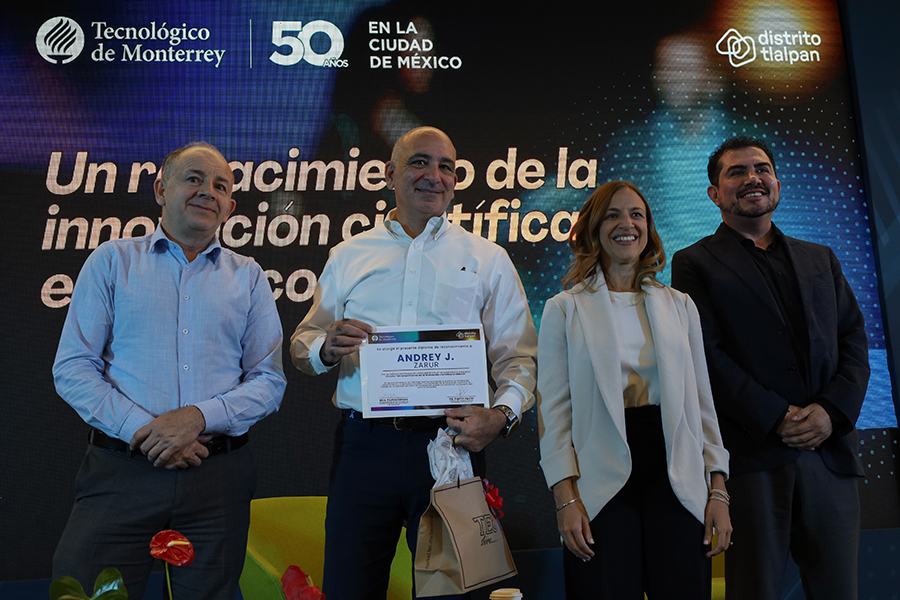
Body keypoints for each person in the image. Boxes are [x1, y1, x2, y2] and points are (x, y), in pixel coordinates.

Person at [291, 126, 537, 600]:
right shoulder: (349, 255)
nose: (434, 175)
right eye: (419, 162)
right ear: (390, 174)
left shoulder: (487, 258)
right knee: (348, 587)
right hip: (365, 450)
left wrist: (501, 417)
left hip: (451, 449)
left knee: (456, 592)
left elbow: (520, 359)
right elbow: (303, 344)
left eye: (446, 166)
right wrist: (325, 347)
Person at [52, 142, 287, 600]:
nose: (208, 192)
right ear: (161, 189)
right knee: (86, 592)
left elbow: (269, 381)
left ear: (230, 207)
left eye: (220, 186)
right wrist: (150, 431)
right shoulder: (112, 261)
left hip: (217, 480)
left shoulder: (249, 276)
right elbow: (74, 368)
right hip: (121, 472)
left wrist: (196, 419)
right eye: (194, 178)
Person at [671, 137, 869, 600]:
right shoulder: (695, 263)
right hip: (753, 458)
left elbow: (854, 340)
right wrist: (777, 416)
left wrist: (829, 412)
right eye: (736, 172)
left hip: (829, 456)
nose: (752, 178)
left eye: (761, 168)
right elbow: (705, 355)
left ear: (777, 182)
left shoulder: (821, 258)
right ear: (714, 194)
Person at [537, 180, 732, 599]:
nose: (626, 224)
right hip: (600, 484)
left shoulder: (679, 305)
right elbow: (553, 417)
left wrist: (718, 489)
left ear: (649, 228)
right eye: (612, 214)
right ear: (593, 229)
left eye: (636, 214)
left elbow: (703, 404)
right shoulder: (563, 309)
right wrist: (565, 499)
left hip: (677, 477)